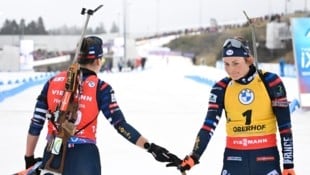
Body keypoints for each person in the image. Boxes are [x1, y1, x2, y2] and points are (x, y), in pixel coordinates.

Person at [24, 36, 178, 175]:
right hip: (85, 158)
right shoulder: (101, 88)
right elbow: (121, 125)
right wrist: (150, 147)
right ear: (98, 61)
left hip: (53, 155)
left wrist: (29, 158)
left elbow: (36, 123)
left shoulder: (52, 82)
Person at [168, 37, 296, 175]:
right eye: (226, 64)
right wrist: (194, 156)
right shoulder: (221, 88)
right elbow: (208, 126)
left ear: (248, 59)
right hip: (234, 160)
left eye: (236, 63)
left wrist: (288, 164)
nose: (231, 69)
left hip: (266, 160)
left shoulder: (271, 81)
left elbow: (285, 128)